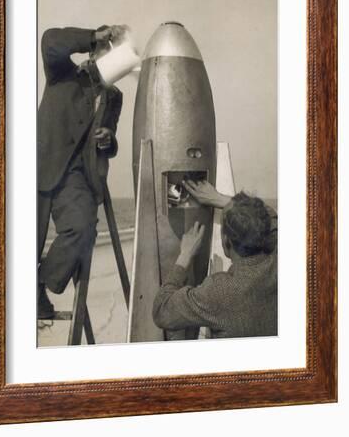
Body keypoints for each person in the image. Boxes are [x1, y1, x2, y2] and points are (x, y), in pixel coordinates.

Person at [37, 25, 124, 319]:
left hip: (75, 179)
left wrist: (108, 139)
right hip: (36, 169)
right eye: (106, 52)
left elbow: (110, 138)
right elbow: (50, 41)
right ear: (94, 52)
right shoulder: (62, 72)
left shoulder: (114, 97)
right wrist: (91, 35)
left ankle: (38, 285)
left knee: (83, 226)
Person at [152, 180, 278, 338]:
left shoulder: (219, 292)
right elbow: (272, 217)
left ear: (226, 242)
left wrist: (184, 256)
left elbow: (161, 311)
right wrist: (219, 199)